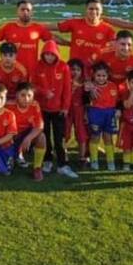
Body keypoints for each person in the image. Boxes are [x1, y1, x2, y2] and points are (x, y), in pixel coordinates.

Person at [31, 41, 78, 177]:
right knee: (44, 136)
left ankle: (63, 164)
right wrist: (44, 92)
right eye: (47, 54)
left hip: (58, 110)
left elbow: (67, 90)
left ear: (56, 54)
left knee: (60, 138)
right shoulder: (37, 66)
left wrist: (65, 107)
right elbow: (32, 86)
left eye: (52, 55)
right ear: (43, 54)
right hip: (42, 109)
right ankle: (47, 160)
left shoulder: (63, 67)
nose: (49, 57)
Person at [0, 0, 53, 75]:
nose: (25, 12)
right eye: (22, 9)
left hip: (32, 71)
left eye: (28, 10)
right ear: (17, 11)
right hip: (13, 72)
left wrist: (65, 43)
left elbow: (52, 38)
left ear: (32, 12)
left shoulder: (38, 28)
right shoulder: (8, 27)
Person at [54, 0, 117, 70]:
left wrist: (99, 52)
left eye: (97, 9)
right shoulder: (74, 23)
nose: (94, 11)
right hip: (75, 70)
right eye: (91, 9)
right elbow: (52, 28)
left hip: (96, 73)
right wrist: (67, 43)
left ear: (101, 11)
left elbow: (115, 48)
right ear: (86, 10)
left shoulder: (108, 29)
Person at [85, 62, 121, 171]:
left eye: (103, 76)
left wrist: (118, 110)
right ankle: (94, 160)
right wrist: (89, 90)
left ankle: (110, 160)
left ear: (107, 75)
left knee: (108, 137)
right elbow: (85, 100)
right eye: (98, 76)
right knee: (95, 136)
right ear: (94, 75)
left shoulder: (113, 86)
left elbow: (118, 101)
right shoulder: (90, 86)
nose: (101, 78)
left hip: (109, 114)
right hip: (96, 113)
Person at [11, 82, 46, 182]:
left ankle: (37, 168)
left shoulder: (35, 105)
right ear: (16, 95)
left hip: (25, 135)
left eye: (29, 95)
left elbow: (39, 126)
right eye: (22, 95)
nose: (26, 99)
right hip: (11, 136)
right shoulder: (8, 105)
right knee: (3, 167)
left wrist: (28, 138)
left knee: (41, 137)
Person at [65, 59, 89, 167]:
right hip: (67, 110)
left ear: (82, 71)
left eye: (78, 70)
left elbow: (88, 100)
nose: (75, 72)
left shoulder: (85, 83)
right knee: (65, 132)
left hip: (80, 110)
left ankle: (82, 157)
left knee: (82, 134)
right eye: (72, 69)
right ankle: (63, 154)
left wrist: (86, 113)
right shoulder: (64, 81)